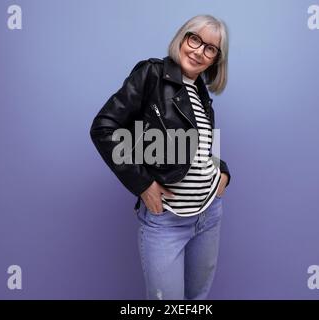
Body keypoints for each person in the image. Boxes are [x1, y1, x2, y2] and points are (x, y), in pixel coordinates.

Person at [90, 14, 231, 300]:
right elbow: (104, 127)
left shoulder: (201, 91)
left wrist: (223, 171)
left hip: (209, 215)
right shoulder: (152, 74)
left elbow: (204, 146)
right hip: (166, 221)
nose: (199, 51)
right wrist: (142, 184)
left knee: (197, 301)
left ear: (215, 59)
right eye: (195, 39)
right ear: (182, 36)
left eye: (210, 48)